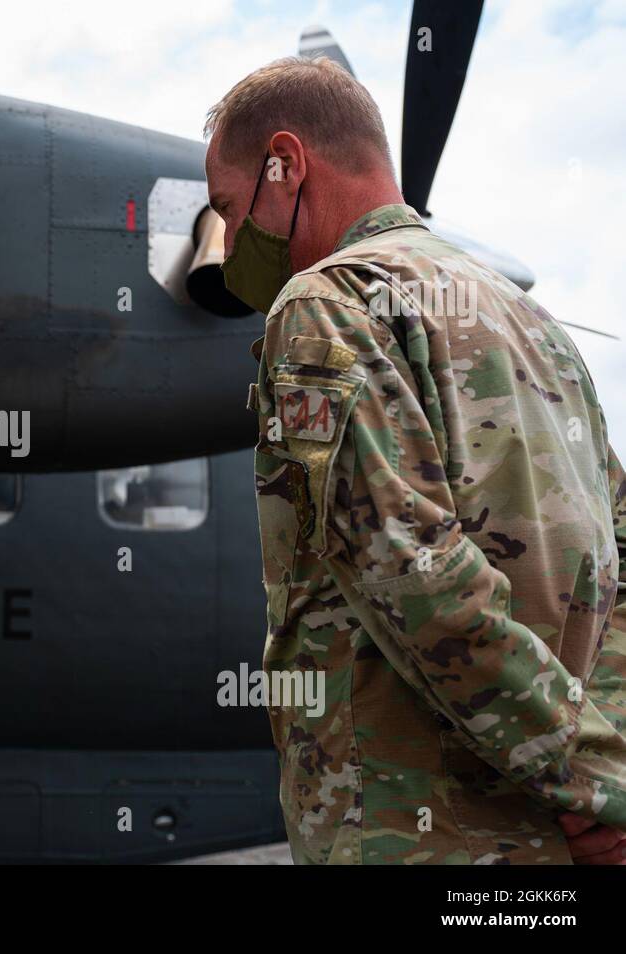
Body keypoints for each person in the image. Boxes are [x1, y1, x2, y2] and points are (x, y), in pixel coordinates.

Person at [203, 56, 626, 864]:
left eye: (229, 206)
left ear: (284, 165)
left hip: (412, 833)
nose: (229, 245)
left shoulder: (325, 303)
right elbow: (617, 568)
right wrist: (600, 798)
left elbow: (414, 574)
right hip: (560, 844)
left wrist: (591, 786)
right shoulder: (540, 328)